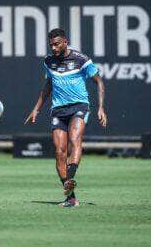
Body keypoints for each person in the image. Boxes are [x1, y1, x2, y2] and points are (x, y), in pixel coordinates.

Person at [25, 28, 107, 207]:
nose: (53, 48)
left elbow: (99, 82)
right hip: (58, 110)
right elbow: (47, 86)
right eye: (51, 45)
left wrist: (101, 108)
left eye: (56, 44)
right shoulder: (48, 61)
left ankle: (69, 179)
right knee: (59, 152)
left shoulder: (81, 60)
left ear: (65, 42)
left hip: (79, 106)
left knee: (75, 140)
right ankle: (70, 197)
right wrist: (36, 109)